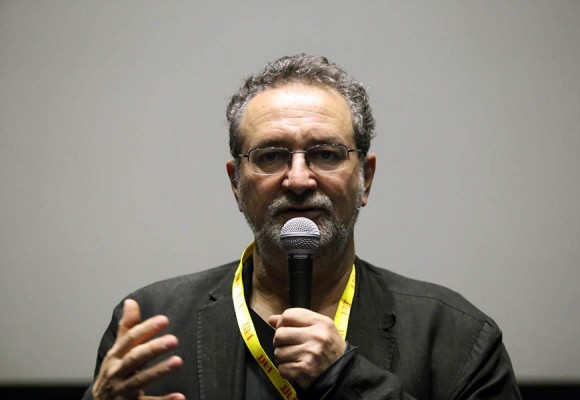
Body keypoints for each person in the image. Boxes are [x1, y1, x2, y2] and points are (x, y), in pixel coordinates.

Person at [83, 54, 522, 400]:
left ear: (366, 178)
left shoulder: (456, 336)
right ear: (236, 184)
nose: (297, 180)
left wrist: (347, 377)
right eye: (271, 156)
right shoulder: (152, 328)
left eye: (326, 154)